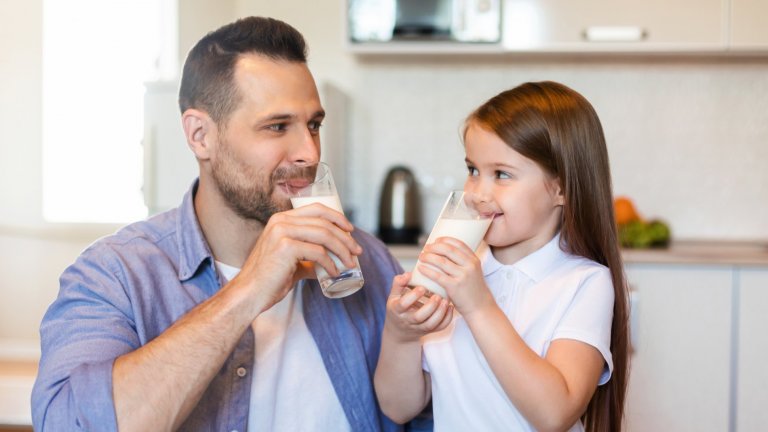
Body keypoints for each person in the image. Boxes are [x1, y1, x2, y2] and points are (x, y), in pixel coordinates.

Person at [32, 16, 430, 432]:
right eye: (277, 127)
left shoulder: (369, 261)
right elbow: (69, 425)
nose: (309, 152)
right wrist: (248, 289)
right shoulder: (114, 275)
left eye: (313, 125)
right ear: (200, 135)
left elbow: (423, 415)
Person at [374, 81, 630, 432]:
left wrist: (479, 307)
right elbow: (398, 407)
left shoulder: (583, 283)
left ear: (561, 189)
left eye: (502, 174)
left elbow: (555, 414)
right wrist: (400, 334)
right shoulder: (454, 272)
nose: (478, 193)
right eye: (473, 170)